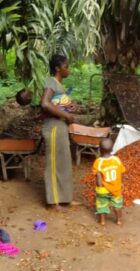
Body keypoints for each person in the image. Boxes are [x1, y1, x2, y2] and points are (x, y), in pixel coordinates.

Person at [40, 54, 77, 210]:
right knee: (54, 164)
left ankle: (65, 199)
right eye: (65, 66)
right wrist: (67, 115)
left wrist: (69, 108)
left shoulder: (60, 86)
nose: (67, 69)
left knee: (64, 163)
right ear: (57, 68)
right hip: (54, 127)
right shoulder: (51, 81)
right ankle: (53, 201)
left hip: (61, 127)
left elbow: (57, 105)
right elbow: (45, 104)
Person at [92, 138, 126, 225]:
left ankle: (102, 221)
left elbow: (98, 176)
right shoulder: (117, 160)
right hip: (116, 189)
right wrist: (121, 183)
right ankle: (119, 220)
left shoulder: (98, 162)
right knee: (117, 205)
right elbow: (121, 173)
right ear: (112, 149)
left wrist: (99, 188)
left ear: (99, 149)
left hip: (103, 189)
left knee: (101, 204)